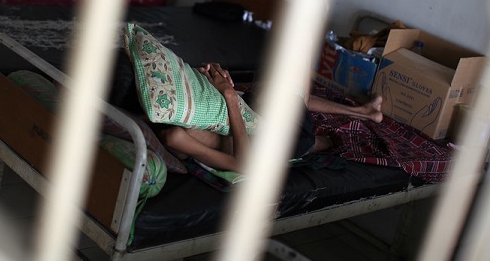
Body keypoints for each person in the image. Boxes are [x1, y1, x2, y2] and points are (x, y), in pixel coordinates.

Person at [155, 62, 383, 174]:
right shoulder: (175, 135)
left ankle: (364, 112)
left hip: (252, 114)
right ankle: (333, 133)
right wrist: (229, 96)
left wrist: (208, 76)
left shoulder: (182, 107)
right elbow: (243, 164)